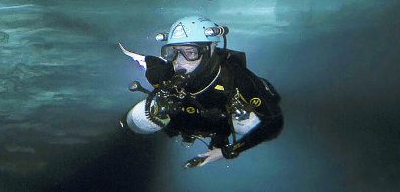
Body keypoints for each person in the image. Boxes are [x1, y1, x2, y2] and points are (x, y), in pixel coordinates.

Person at [119, 15, 283, 168]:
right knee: (142, 116)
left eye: (190, 52)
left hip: (220, 126)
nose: (179, 62)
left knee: (248, 124)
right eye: (172, 52)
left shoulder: (236, 79)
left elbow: (274, 122)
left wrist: (228, 151)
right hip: (181, 123)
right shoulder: (162, 74)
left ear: (209, 50)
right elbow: (145, 61)